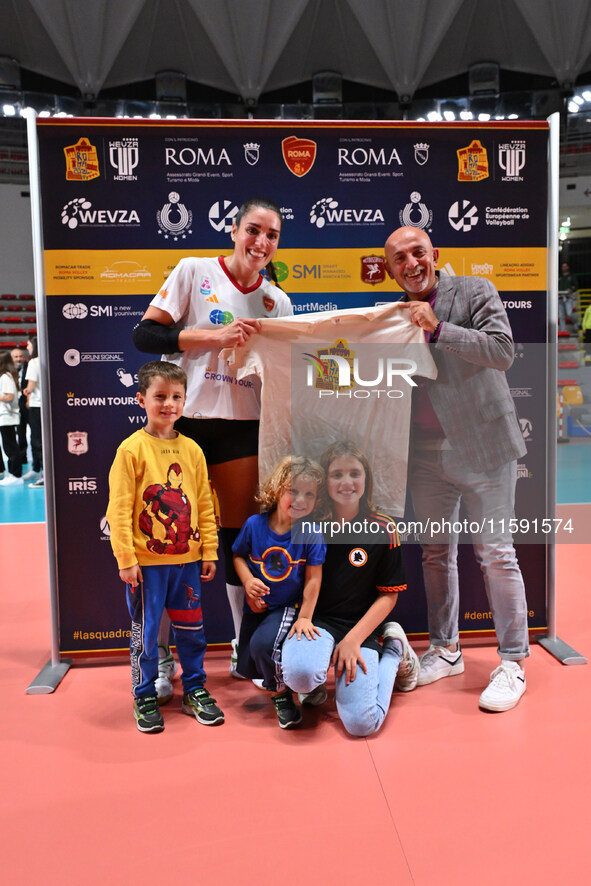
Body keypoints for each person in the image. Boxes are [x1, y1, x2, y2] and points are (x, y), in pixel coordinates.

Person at [133, 197, 293, 693]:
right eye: (253, 230)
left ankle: (247, 651)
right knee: (167, 544)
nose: (261, 243)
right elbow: (145, 336)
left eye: (272, 235)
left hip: (244, 429)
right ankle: (158, 663)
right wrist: (213, 336)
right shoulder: (194, 270)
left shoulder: (278, 303)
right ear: (234, 230)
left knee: (236, 544)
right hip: (185, 427)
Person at [384, 225, 529, 712]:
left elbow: (502, 352)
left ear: (435, 255)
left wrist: (439, 328)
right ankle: (446, 650)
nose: (410, 263)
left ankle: (512, 662)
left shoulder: (474, 290)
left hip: (484, 446)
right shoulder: (390, 316)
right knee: (434, 555)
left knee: (496, 555)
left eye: (417, 253)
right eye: (399, 258)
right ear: (390, 270)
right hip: (424, 455)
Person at [106, 360, 222, 734]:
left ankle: (195, 689)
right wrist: (126, 558)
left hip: (187, 562)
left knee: (192, 632)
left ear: (185, 400)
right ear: (141, 399)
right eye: (160, 396)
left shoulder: (193, 450)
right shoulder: (131, 450)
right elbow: (120, 508)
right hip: (147, 565)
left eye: (176, 396)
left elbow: (204, 501)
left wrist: (209, 550)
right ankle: (143, 695)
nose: (168, 404)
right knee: (147, 632)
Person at [282, 441, 419, 737]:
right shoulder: (310, 523)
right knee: (300, 676)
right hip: (317, 624)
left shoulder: (384, 528)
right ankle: (316, 680)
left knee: (361, 724)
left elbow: (388, 595)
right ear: (325, 481)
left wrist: (354, 640)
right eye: (337, 474)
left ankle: (395, 652)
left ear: (366, 479)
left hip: (362, 629)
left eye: (354, 473)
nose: (346, 482)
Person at [232, 455, 326, 728]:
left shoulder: (311, 532)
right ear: (276, 489)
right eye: (293, 491)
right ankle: (285, 686)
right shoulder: (254, 525)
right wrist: (249, 583)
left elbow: (313, 580)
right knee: (250, 656)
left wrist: (305, 617)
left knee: (263, 646)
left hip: (288, 607)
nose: (300, 500)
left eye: (309, 494)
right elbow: (238, 556)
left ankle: (282, 695)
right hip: (257, 606)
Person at [0, 352, 23, 486]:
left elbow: (9, 397)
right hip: (5, 416)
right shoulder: (7, 376)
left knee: (10, 447)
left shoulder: (5, 377)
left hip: (7, 416)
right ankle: (13, 473)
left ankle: (16, 474)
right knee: (9, 446)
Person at [23, 337, 43, 487]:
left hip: (37, 405)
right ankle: (38, 469)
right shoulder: (46, 360)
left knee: (37, 439)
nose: (27, 346)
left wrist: (26, 391)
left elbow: (31, 386)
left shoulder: (33, 362)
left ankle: (42, 472)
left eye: (28, 344)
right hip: (46, 405)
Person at [10, 347, 29, 467]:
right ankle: (22, 458)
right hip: (14, 405)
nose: (18, 359)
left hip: (27, 403)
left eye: (20, 356)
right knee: (20, 432)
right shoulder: (7, 371)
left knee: (34, 434)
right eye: (16, 357)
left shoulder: (29, 367)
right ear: (11, 359)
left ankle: (37, 460)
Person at [558, 260, 579, 334]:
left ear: (568, 267)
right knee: (561, 316)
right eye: (563, 266)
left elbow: (576, 286)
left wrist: (571, 289)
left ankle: (577, 322)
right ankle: (563, 330)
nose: (564, 268)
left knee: (569, 314)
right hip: (560, 297)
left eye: (565, 266)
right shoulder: (559, 276)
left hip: (568, 297)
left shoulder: (571, 276)